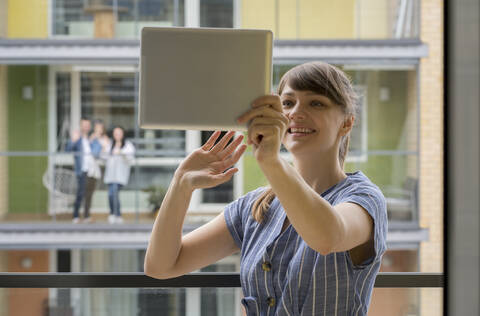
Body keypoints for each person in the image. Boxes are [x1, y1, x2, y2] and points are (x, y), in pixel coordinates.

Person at [144, 62, 388, 315]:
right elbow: (161, 266)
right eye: (287, 103)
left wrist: (271, 162)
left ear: (347, 123)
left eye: (316, 103)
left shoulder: (363, 197)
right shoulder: (254, 208)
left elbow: (327, 238)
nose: (296, 112)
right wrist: (181, 183)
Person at [66, 118, 102, 223]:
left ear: (90, 126)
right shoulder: (78, 138)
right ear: (81, 126)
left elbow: (97, 153)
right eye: (84, 125)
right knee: (80, 193)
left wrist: (93, 140)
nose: (86, 127)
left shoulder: (92, 138)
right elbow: (68, 150)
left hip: (92, 171)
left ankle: (86, 216)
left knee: (89, 194)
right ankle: (76, 215)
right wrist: (74, 140)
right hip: (82, 170)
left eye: (87, 125)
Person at [102, 126, 135, 224]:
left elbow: (130, 158)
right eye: (116, 133)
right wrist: (104, 148)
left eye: (119, 133)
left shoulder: (127, 145)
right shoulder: (110, 144)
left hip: (120, 176)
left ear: (123, 134)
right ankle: (114, 214)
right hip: (110, 176)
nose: (117, 135)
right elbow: (103, 158)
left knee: (113, 193)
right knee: (111, 195)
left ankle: (116, 214)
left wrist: (120, 152)